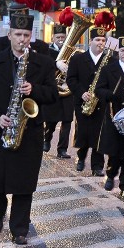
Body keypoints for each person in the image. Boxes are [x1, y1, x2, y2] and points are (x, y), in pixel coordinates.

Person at [0, 10, 57, 245]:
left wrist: (34, 90)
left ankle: (20, 228)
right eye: (17, 34)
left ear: (30, 36)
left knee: (24, 181)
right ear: (9, 34)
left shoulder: (43, 63)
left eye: (25, 35)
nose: (21, 39)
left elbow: (53, 94)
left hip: (30, 130)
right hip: (1, 128)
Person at [95, 36, 124, 199]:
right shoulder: (109, 69)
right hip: (114, 114)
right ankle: (110, 175)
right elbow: (99, 89)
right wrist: (110, 95)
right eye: (122, 50)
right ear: (118, 52)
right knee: (114, 152)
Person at [66, 24, 110, 176]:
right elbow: (71, 79)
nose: (101, 43)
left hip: (101, 103)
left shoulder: (109, 60)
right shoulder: (78, 58)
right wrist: (81, 93)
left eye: (103, 40)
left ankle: (97, 166)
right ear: (90, 41)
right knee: (84, 132)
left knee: (99, 134)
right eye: (97, 39)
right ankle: (81, 157)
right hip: (83, 102)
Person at [42, 22, 74, 159]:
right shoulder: (47, 51)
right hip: (53, 90)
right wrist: (56, 64)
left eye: (63, 37)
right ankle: (47, 138)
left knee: (67, 121)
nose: (61, 40)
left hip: (67, 90)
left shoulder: (72, 52)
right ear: (53, 38)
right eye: (58, 37)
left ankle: (62, 149)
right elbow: (44, 67)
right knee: (51, 119)